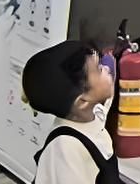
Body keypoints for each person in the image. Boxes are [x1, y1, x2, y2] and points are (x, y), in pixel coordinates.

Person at [23, 39, 120, 184]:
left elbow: (107, 102)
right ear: (83, 101)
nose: (107, 68)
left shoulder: (93, 113)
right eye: (100, 69)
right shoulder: (66, 147)